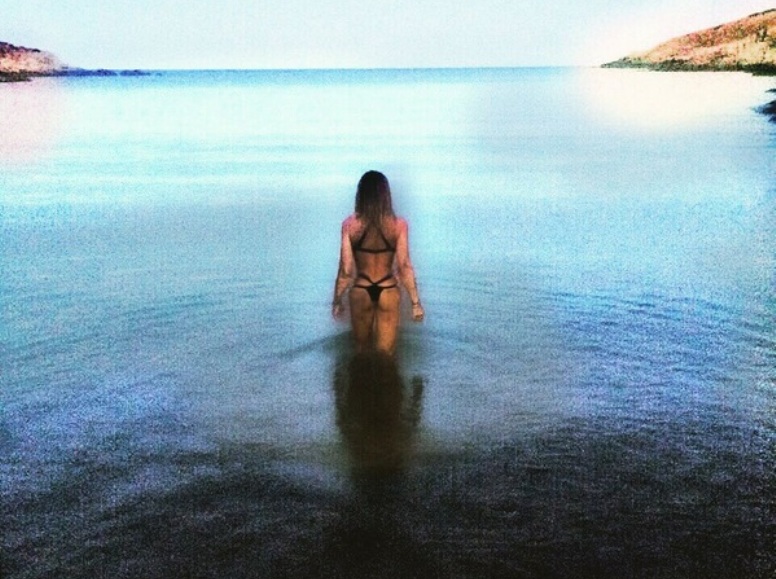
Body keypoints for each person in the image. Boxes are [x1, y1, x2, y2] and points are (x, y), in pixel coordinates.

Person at [332, 170, 424, 354]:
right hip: (388, 290)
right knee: (386, 354)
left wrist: (337, 300)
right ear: (386, 195)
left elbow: (346, 270)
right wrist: (415, 303)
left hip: (361, 290)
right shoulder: (399, 225)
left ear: (361, 195)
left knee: (361, 351)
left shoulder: (349, 225)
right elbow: (404, 266)